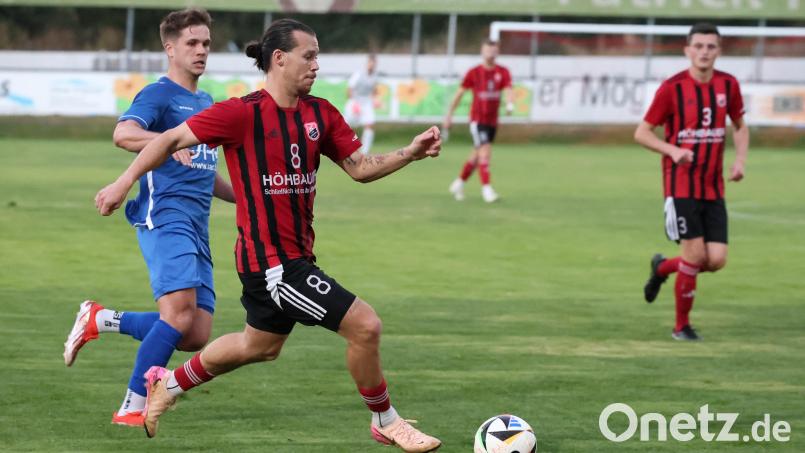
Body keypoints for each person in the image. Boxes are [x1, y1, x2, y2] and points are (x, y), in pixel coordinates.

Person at [94, 19, 442, 452]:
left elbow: (359, 168)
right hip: (271, 264)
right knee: (365, 327)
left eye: (318, 56)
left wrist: (409, 153)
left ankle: (168, 384)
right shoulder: (240, 112)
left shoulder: (321, 113)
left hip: (298, 257)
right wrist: (124, 182)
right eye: (308, 55)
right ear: (279, 59)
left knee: (258, 346)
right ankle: (385, 420)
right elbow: (168, 140)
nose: (317, 64)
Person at [63, 8, 235, 426]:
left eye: (206, 44)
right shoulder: (159, 95)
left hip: (198, 223)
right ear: (170, 48)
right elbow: (123, 133)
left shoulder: (205, 101)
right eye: (192, 43)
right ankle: (133, 403)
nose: (201, 51)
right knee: (178, 313)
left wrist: (248, 200)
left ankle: (99, 319)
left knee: (194, 332)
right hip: (165, 215)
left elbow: (204, 169)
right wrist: (164, 141)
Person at [634, 23, 749, 341]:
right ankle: (681, 326)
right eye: (698, 46)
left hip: (714, 186)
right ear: (687, 50)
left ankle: (661, 269)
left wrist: (739, 161)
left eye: (711, 46)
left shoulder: (728, 85)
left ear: (718, 51)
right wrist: (672, 150)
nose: (704, 52)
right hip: (680, 185)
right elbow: (642, 132)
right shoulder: (672, 88)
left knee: (716, 261)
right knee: (695, 256)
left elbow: (740, 126)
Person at [443, 39, 513, 203]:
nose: (490, 53)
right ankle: (487, 190)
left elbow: (509, 89)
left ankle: (459, 183)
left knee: (476, 156)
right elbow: (459, 94)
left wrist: (510, 104)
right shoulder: (474, 72)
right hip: (477, 120)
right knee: (485, 151)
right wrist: (449, 115)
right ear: (482, 52)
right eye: (488, 50)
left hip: (492, 122)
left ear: (497, 52)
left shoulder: (503, 72)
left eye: (493, 50)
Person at [344, 54, 379, 154]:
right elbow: (349, 89)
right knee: (346, 126)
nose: (371, 65)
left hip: (366, 103)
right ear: (367, 63)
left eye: (374, 64)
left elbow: (374, 91)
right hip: (355, 102)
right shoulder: (358, 74)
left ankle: (365, 152)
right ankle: (344, 148)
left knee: (370, 124)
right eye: (370, 63)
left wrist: (376, 100)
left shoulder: (375, 76)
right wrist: (354, 103)